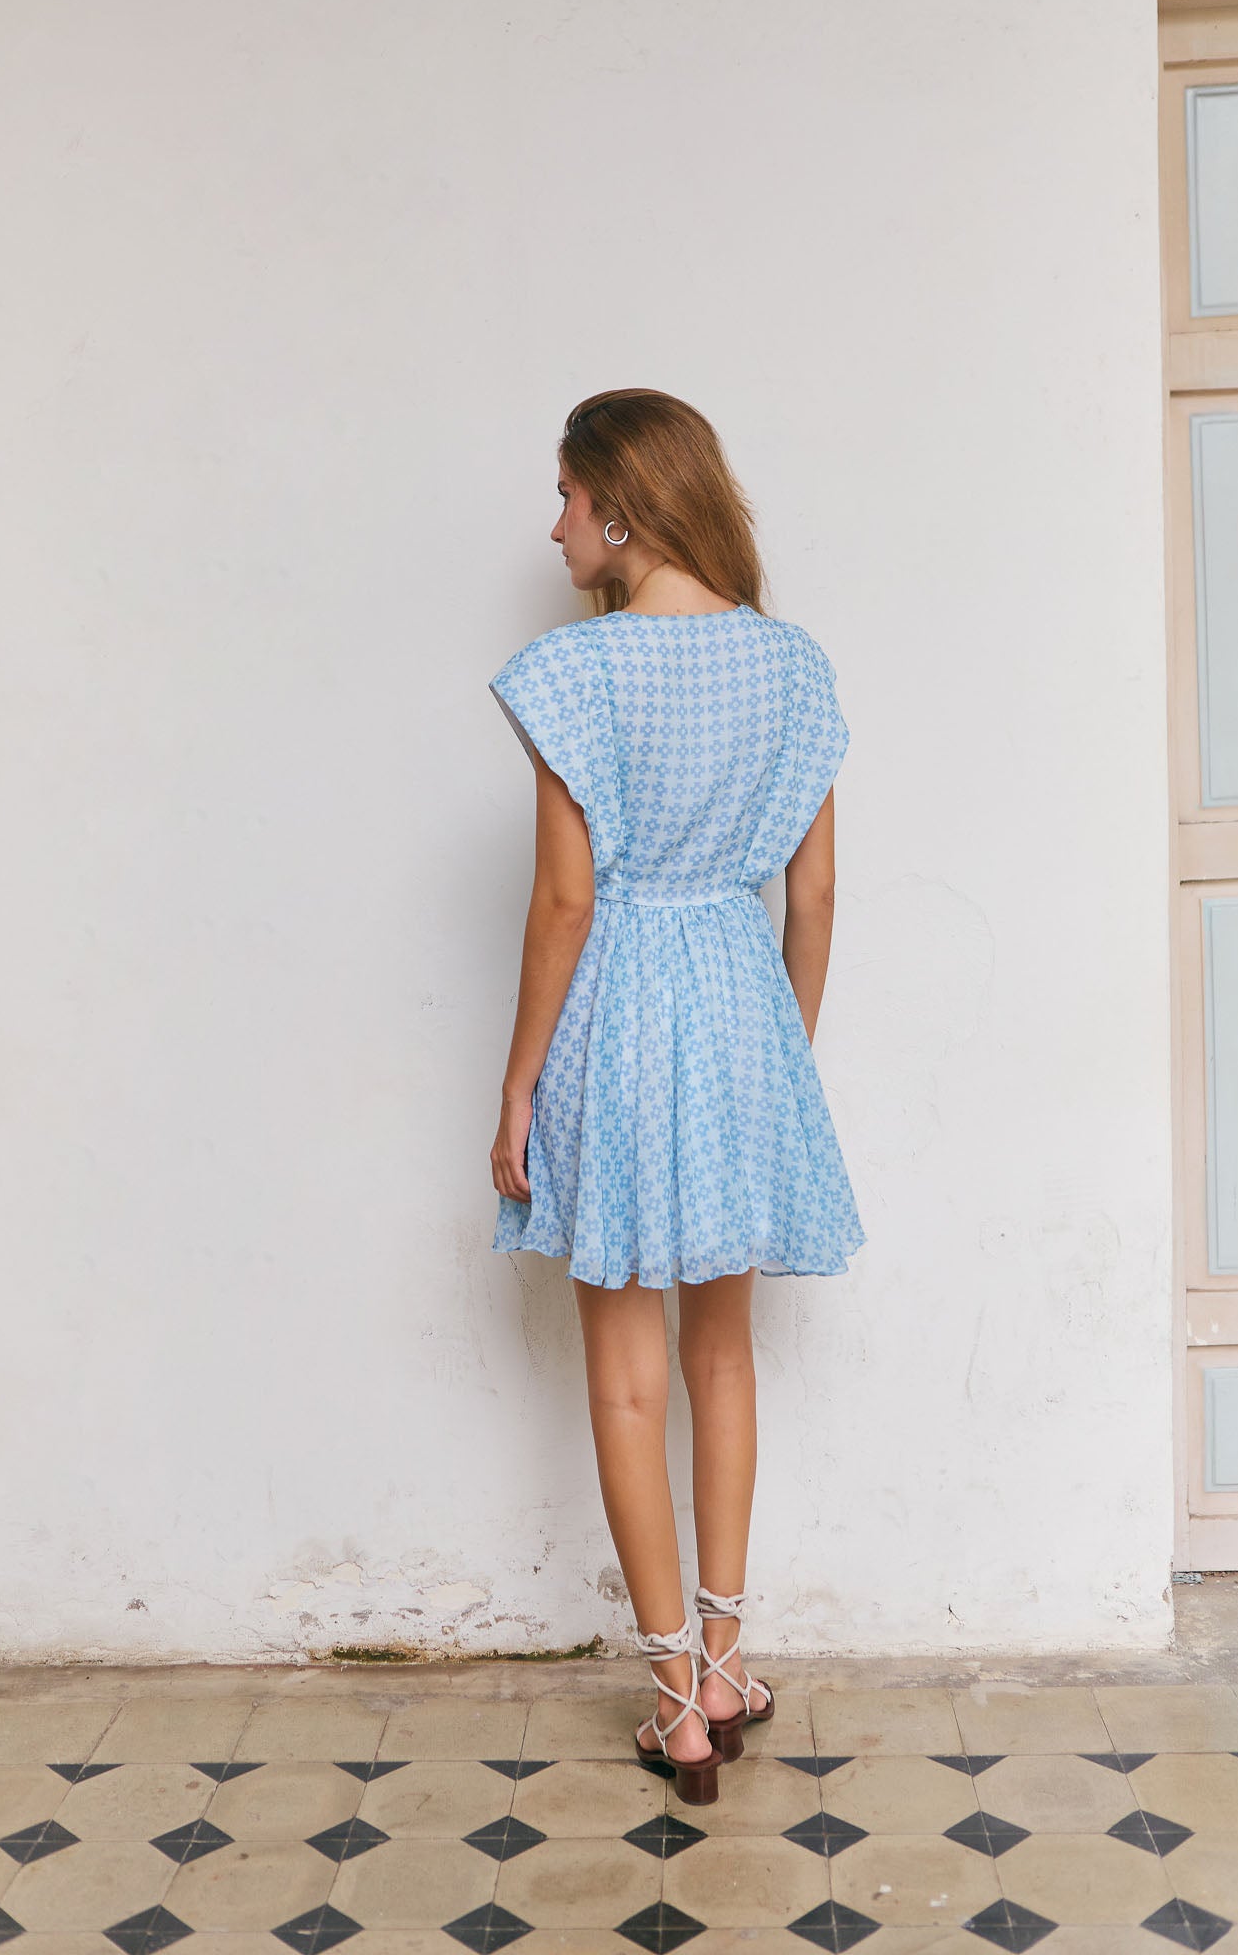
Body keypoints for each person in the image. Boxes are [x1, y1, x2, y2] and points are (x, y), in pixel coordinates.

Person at [488, 388, 866, 1805]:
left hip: (615, 1022)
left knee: (626, 1377)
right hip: (738, 1014)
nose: (556, 527)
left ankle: (673, 1705)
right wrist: (782, 1057)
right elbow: (813, 898)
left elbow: (565, 903)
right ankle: (724, 1664)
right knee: (723, 1359)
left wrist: (518, 1088)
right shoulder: (793, 665)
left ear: (625, 506)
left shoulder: (573, 673)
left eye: (568, 497)